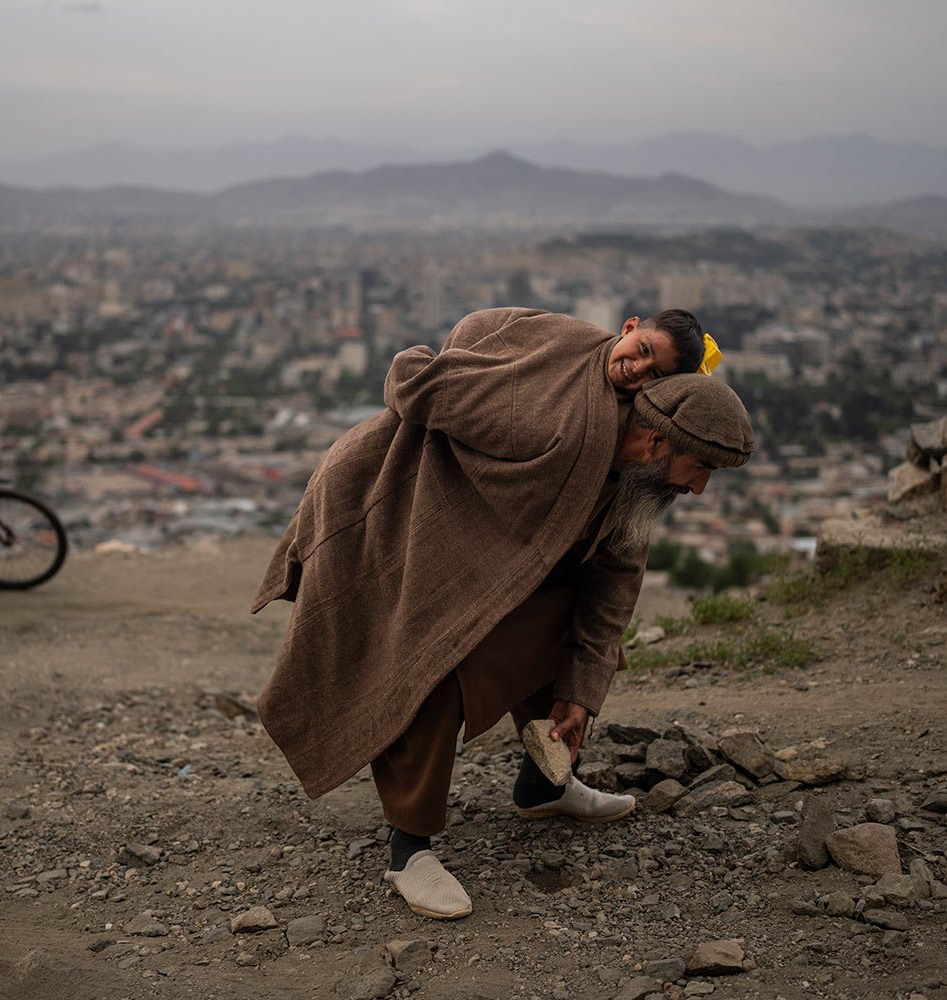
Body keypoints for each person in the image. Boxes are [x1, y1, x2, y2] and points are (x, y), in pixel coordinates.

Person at [251, 306, 752, 920]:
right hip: (389, 511)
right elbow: (417, 381)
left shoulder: (639, 478)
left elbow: (612, 589)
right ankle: (409, 848)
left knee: (568, 616)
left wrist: (578, 698)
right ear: (657, 441)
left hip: (483, 545)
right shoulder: (547, 424)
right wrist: (437, 354)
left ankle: (545, 786)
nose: (698, 489)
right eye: (698, 469)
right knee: (438, 651)